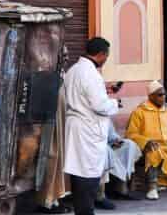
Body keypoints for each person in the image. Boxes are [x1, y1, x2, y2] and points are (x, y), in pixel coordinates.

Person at [62, 37, 120, 215]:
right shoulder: (91, 74)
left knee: (79, 174)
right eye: (106, 57)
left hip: (77, 127)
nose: (105, 61)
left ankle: (83, 211)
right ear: (101, 54)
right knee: (89, 177)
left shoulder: (73, 70)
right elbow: (100, 106)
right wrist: (115, 103)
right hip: (88, 129)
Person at [97, 123, 142, 206]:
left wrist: (117, 141)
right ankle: (100, 196)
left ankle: (121, 189)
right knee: (104, 150)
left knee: (129, 144)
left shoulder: (105, 116)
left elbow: (112, 135)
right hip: (95, 150)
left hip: (110, 146)